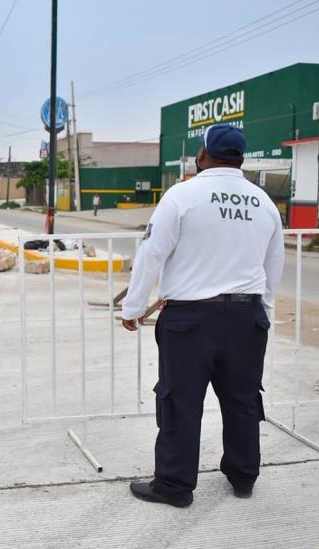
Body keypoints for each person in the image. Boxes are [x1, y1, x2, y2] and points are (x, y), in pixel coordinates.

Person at [121, 124, 284, 508]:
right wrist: (265, 312)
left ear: (203, 155)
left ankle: (175, 485)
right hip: (248, 318)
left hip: (190, 321)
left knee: (181, 401)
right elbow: (273, 264)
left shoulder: (183, 195)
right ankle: (244, 476)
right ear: (241, 158)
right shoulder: (263, 202)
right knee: (243, 399)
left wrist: (132, 307)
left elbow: (152, 254)